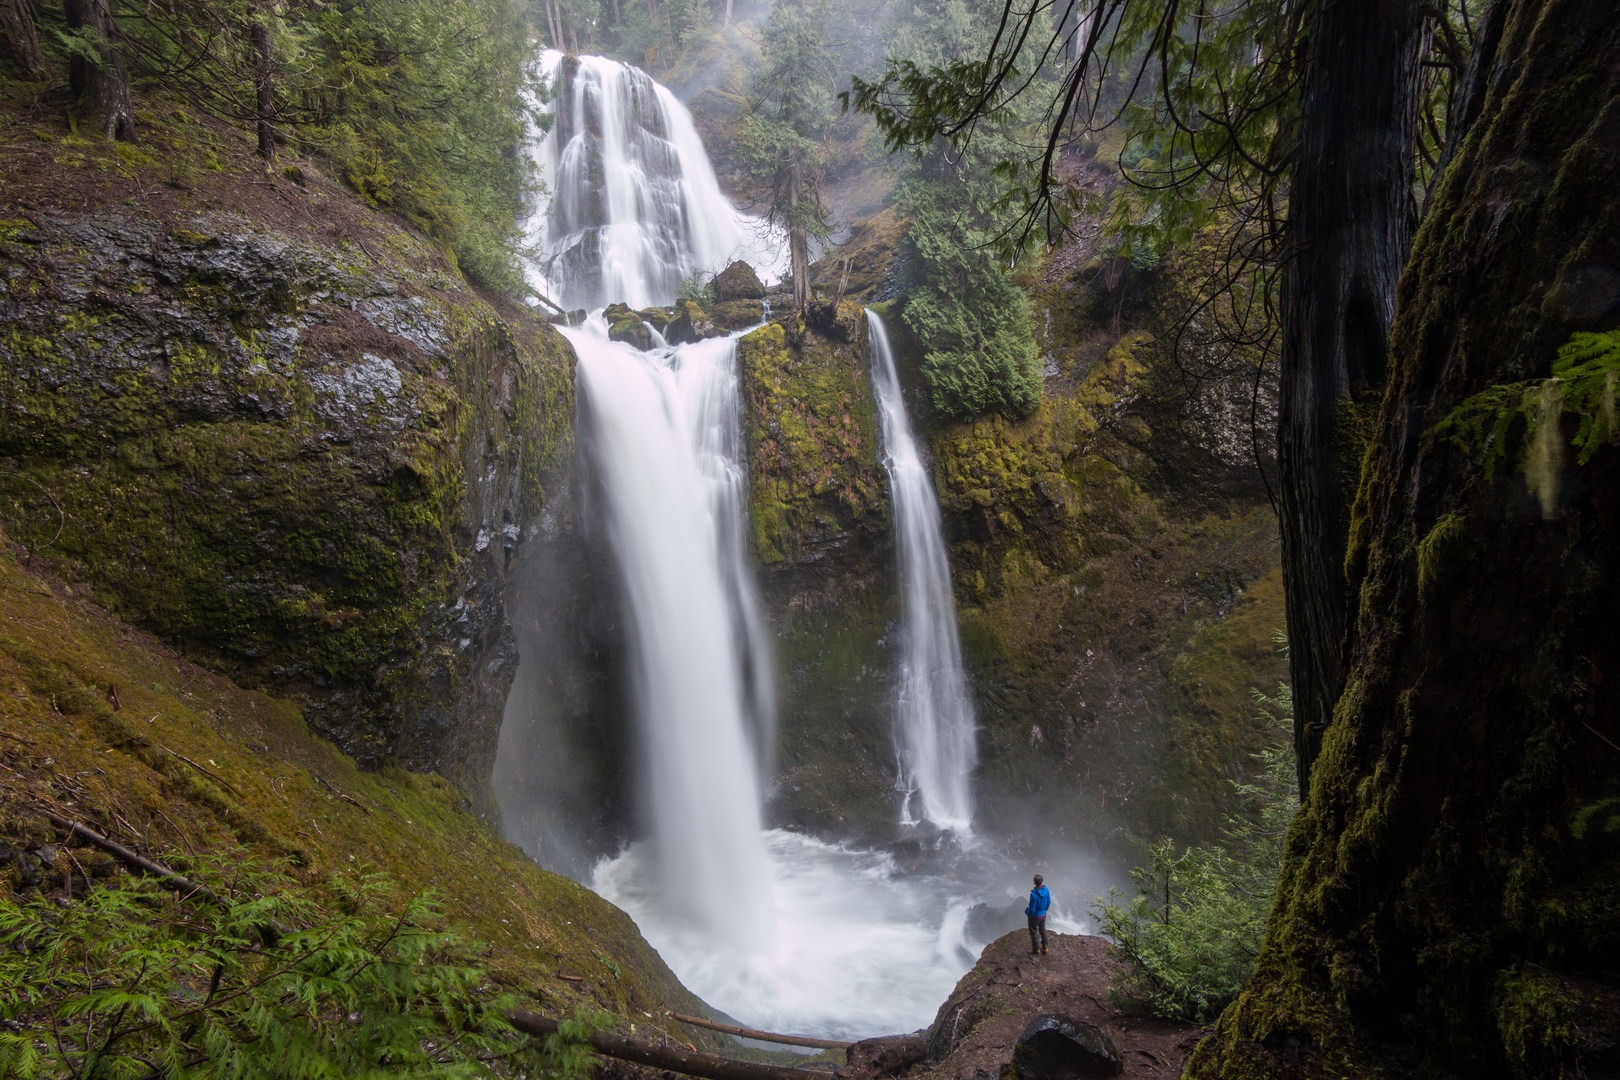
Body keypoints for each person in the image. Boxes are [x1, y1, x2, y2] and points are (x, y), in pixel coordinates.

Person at [1025, 873, 1050, 955]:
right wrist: (1044, 910)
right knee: (1042, 930)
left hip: (1035, 916)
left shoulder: (1034, 895)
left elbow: (1032, 909)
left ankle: (1036, 949)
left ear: (1034, 882)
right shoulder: (1046, 890)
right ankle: (1045, 947)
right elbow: (1048, 902)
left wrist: (1027, 913)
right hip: (1043, 914)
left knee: (1034, 931)